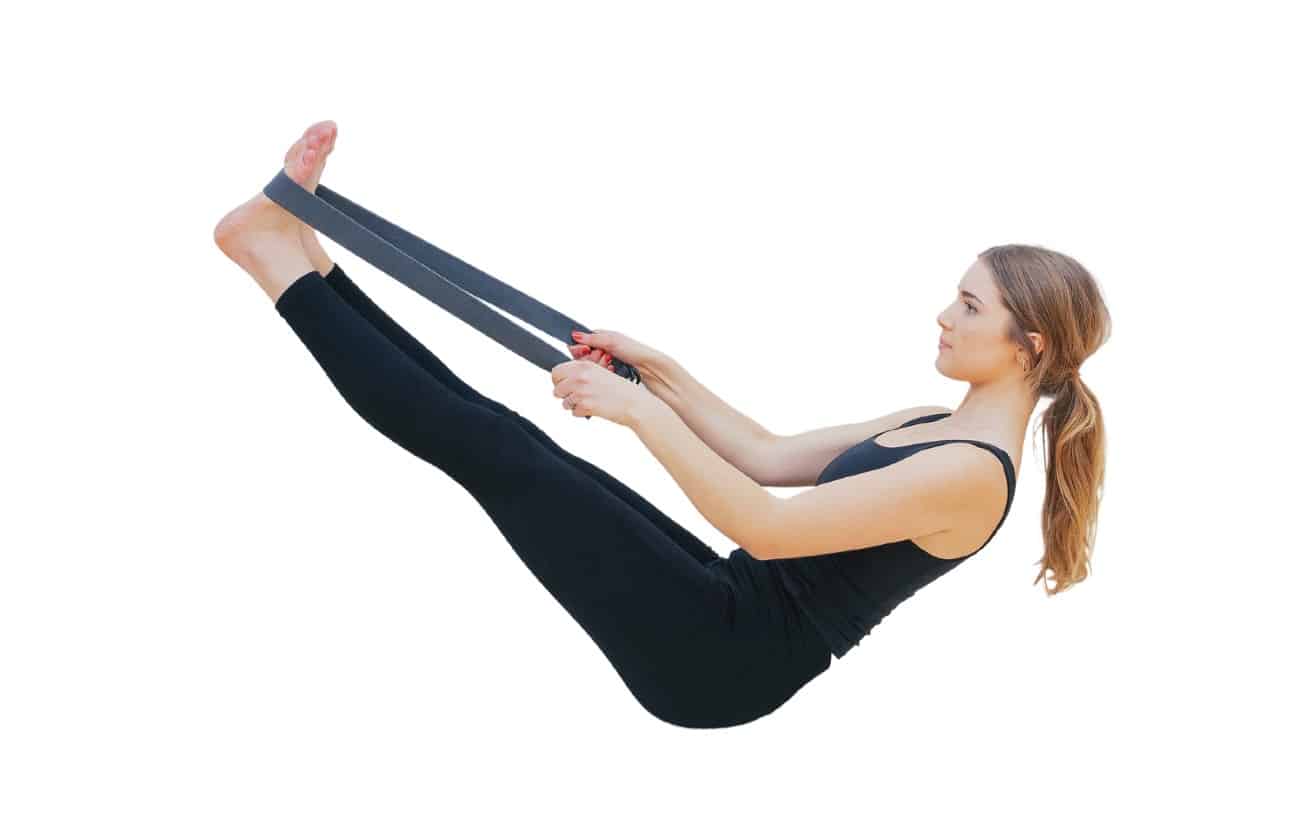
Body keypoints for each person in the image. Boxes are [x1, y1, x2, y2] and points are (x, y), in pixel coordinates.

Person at [213, 120, 1110, 729]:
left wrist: (639, 413)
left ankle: (271, 257)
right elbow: (765, 455)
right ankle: (303, 254)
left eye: (968, 304)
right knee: (506, 440)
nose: (943, 315)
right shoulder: (929, 421)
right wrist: (659, 373)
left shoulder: (976, 472)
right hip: (726, 599)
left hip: (726, 657)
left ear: (1027, 345)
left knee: (488, 449)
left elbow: (770, 525)